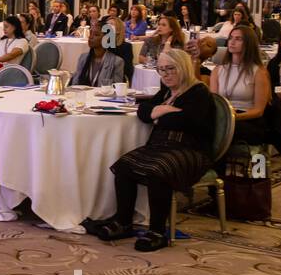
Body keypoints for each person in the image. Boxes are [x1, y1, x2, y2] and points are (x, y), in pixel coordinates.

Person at [84, 48, 216, 252]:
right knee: (123, 166)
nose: (165, 74)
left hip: (191, 150)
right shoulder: (166, 91)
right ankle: (123, 222)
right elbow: (143, 112)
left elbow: (188, 121)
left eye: (170, 69)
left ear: (183, 67)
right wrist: (161, 110)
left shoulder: (198, 92)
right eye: (161, 70)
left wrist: (159, 114)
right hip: (162, 146)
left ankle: (157, 231)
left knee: (158, 170)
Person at [210, 26, 272, 144]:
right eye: (231, 38)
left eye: (238, 39)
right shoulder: (218, 70)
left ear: (248, 43)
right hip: (224, 116)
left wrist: (234, 118)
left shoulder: (259, 72)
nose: (232, 42)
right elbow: (215, 102)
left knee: (222, 130)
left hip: (248, 119)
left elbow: (259, 110)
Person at [74, 22, 126, 86]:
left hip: (104, 95)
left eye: (96, 35)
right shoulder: (83, 58)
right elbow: (75, 83)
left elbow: (116, 88)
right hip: (83, 95)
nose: (91, 37)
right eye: (90, 34)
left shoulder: (117, 62)